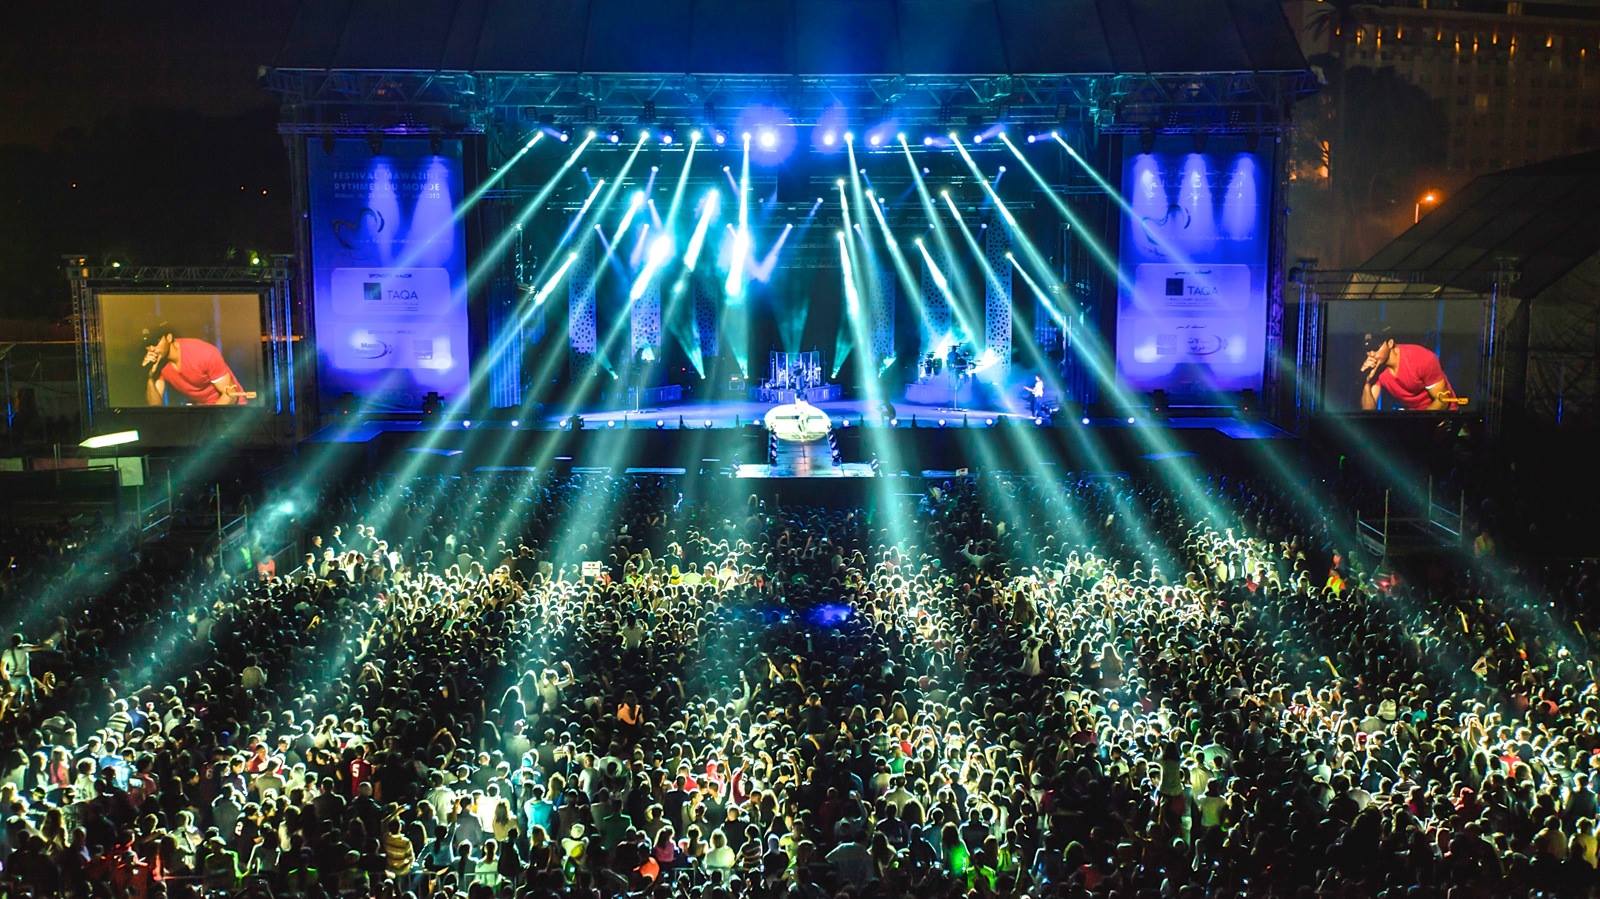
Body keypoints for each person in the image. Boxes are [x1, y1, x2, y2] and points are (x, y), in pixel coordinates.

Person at [141, 319, 251, 406]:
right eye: (148, 344)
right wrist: (149, 376)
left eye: (155, 342)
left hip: (233, 408)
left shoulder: (203, 353)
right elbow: (155, 405)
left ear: (169, 338)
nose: (151, 349)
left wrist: (207, 419)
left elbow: (231, 396)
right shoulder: (158, 364)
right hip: (205, 412)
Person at [1359, 329, 1458, 411]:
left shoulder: (1421, 358)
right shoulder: (1377, 369)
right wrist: (1366, 382)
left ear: (1390, 343)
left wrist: (1419, 423)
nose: (1371, 354)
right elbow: (1368, 411)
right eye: (1368, 348)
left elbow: (1442, 401)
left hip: (1444, 415)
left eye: (1375, 347)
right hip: (1415, 417)